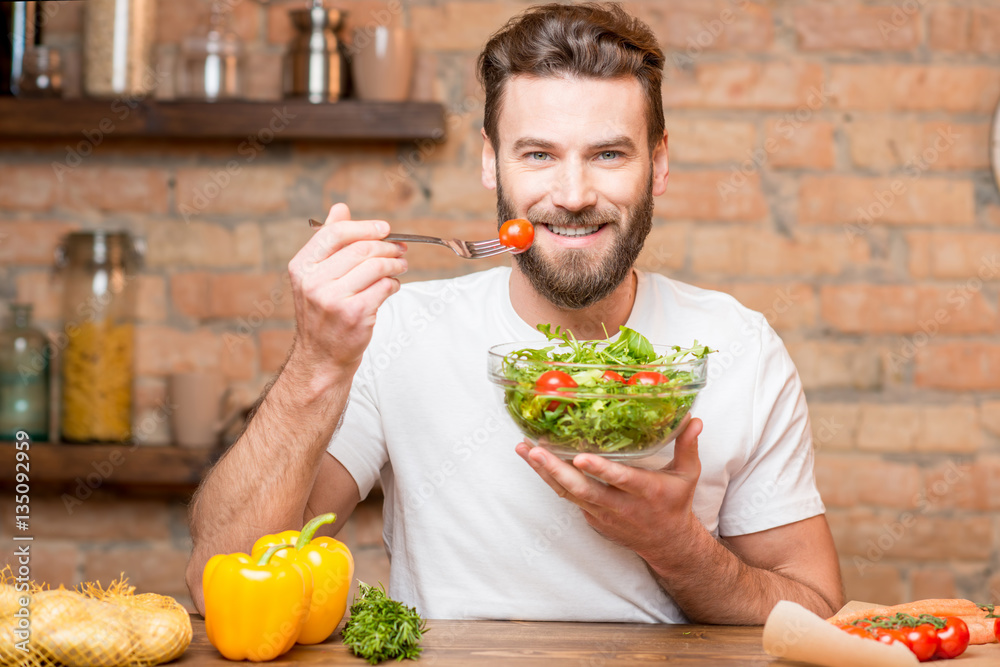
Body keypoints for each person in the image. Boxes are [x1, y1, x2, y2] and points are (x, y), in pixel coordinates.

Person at [186, 2, 843, 625]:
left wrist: (678, 546)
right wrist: (316, 361)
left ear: (659, 164)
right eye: (538, 154)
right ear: (490, 161)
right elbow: (222, 573)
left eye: (608, 154)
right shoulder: (400, 331)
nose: (574, 194)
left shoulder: (738, 345)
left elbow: (815, 607)